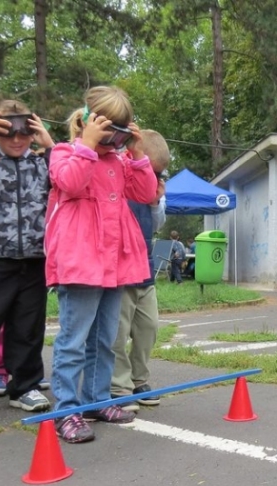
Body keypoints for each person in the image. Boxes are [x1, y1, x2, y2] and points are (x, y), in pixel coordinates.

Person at [46, 86, 157, 442]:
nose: (115, 140)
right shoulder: (65, 153)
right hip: (81, 262)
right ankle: (66, 410)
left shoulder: (119, 162)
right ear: (87, 121)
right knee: (74, 339)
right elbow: (69, 182)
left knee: (106, 338)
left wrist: (137, 153)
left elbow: (145, 193)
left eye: (122, 133)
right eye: (108, 129)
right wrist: (87, 145)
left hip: (114, 263)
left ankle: (96, 399)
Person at [0, 102, 54, 417]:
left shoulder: (43, 164)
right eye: (9, 133)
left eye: (24, 132)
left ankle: (24, 386)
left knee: (28, 325)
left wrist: (49, 145)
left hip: (35, 259)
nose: (16, 140)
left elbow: (72, 177)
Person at [110, 130, 168, 412]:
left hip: (145, 270)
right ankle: (119, 386)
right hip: (121, 270)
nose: (154, 178)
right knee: (118, 332)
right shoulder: (119, 172)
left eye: (159, 174)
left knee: (149, 327)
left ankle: (140, 379)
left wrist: (156, 202)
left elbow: (157, 226)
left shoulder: (155, 185)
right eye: (152, 170)